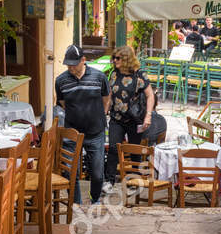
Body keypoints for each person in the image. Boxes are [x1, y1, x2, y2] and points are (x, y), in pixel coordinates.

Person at [55, 43, 109, 204]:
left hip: (96, 132)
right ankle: (76, 203)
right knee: (70, 172)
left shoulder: (99, 77)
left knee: (98, 173)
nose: (70, 67)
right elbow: (63, 103)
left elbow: (106, 99)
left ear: (83, 60)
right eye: (68, 64)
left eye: (73, 64)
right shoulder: (61, 81)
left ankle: (95, 199)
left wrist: (100, 115)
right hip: (72, 133)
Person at [105, 45, 153, 183]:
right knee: (113, 148)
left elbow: (150, 96)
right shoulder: (114, 73)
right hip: (116, 118)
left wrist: (148, 115)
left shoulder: (139, 75)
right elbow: (110, 95)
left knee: (135, 151)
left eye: (117, 58)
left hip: (134, 119)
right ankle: (109, 181)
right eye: (113, 58)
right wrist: (105, 111)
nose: (114, 60)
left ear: (126, 59)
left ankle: (134, 180)